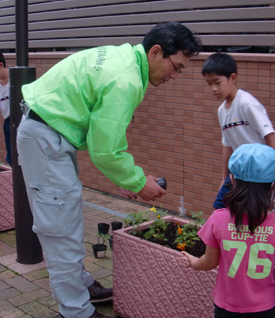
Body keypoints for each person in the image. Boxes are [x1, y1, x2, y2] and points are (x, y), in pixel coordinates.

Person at [16, 22, 202, 318]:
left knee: (67, 218)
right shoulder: (126, 79)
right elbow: (105, 149)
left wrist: (121, 177)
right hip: (46, 138)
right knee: (60, 228)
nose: (174, 76)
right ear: (156, 52)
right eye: (176, 67)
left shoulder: (123, 58)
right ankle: (76, 311)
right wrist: (140, 182)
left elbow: (101, 137)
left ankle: (80, 286)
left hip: (49, 134)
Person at [180, 143, 275, 318]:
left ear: (233, 180)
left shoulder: (218, 219)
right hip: (264, 308)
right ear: (274, 185)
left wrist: (194, 263)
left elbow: (210, 262)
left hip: (226, 307)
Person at [202, 53, 275, 209]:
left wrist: (273, 173)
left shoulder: (246, 103)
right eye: (209, 83)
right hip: (238, 171)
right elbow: (227, 145)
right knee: (221, 207)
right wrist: (223, 179)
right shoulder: (221, 111)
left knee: (254, 212)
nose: (213, 88)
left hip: (259, 173)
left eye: (217, 82)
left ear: (233, 78)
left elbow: (269, 134)